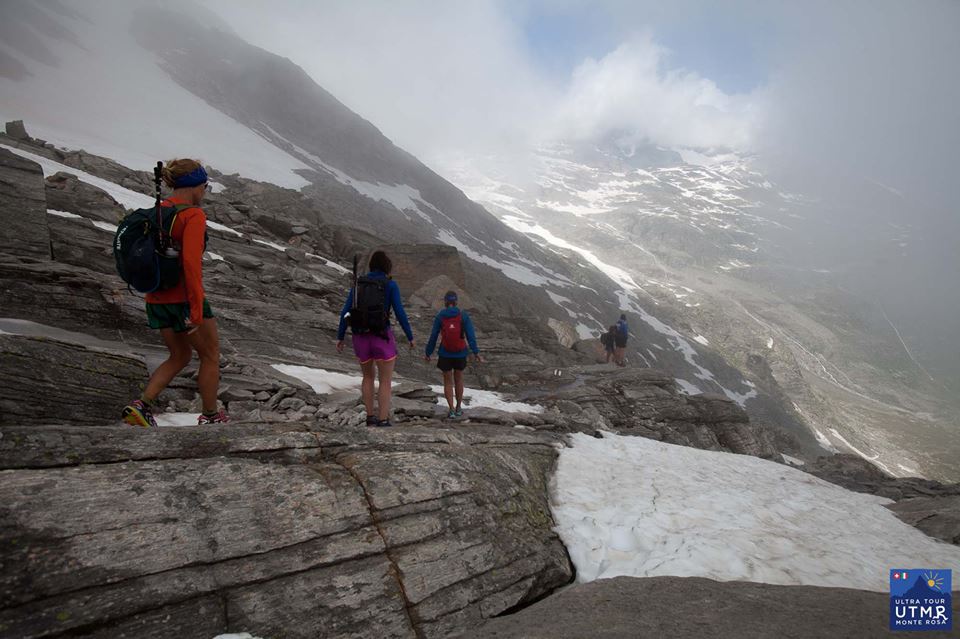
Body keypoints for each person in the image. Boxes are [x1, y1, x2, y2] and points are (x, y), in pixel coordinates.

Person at [122, 159, 228, 427]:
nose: (204, 192)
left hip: (156, 298)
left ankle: (141, 406)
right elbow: (191, 265)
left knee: (179, 355)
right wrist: (196, 310)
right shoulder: (193, 216)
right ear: (195, 185)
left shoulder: (158, 212)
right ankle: (211, 416)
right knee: (210, 355)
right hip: (184, 300)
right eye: (205, 186)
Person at [336, 250, 415, 427]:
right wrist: (410, 336)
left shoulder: (359, 283)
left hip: (360, 336)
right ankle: (383, 419)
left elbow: (345, 312)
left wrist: (340, 336)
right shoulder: (390, 285)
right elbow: (400, 312)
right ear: (387, 267)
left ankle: (370, 417)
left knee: (367, 377)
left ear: (371, 266)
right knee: (385, 380)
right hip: (382, 336)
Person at [424, 291, 481, 418]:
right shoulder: (463, 315)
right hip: (460, 353)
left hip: (445, 353)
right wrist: (476, 352)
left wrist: (428, 352)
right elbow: (471, 336)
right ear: (456, 302)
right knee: (459, 379)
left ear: (445, 302)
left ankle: (451, 410)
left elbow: (433, 336)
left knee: (448, 382)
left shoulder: (440, 316)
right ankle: (459, 408)